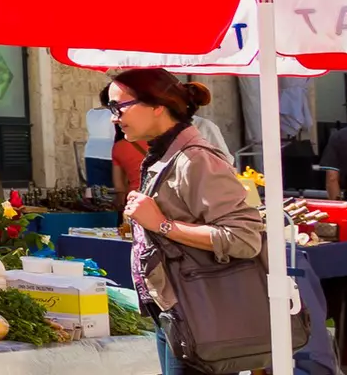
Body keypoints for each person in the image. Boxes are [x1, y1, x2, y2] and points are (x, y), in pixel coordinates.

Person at [109, 68, 264, 375]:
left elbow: (245, 238)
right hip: (177, 310)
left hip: (201, 313)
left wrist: (161, 224)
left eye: (119, 106)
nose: (114, 117)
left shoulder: (196, 159)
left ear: (157, 106)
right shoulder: (165, 155)